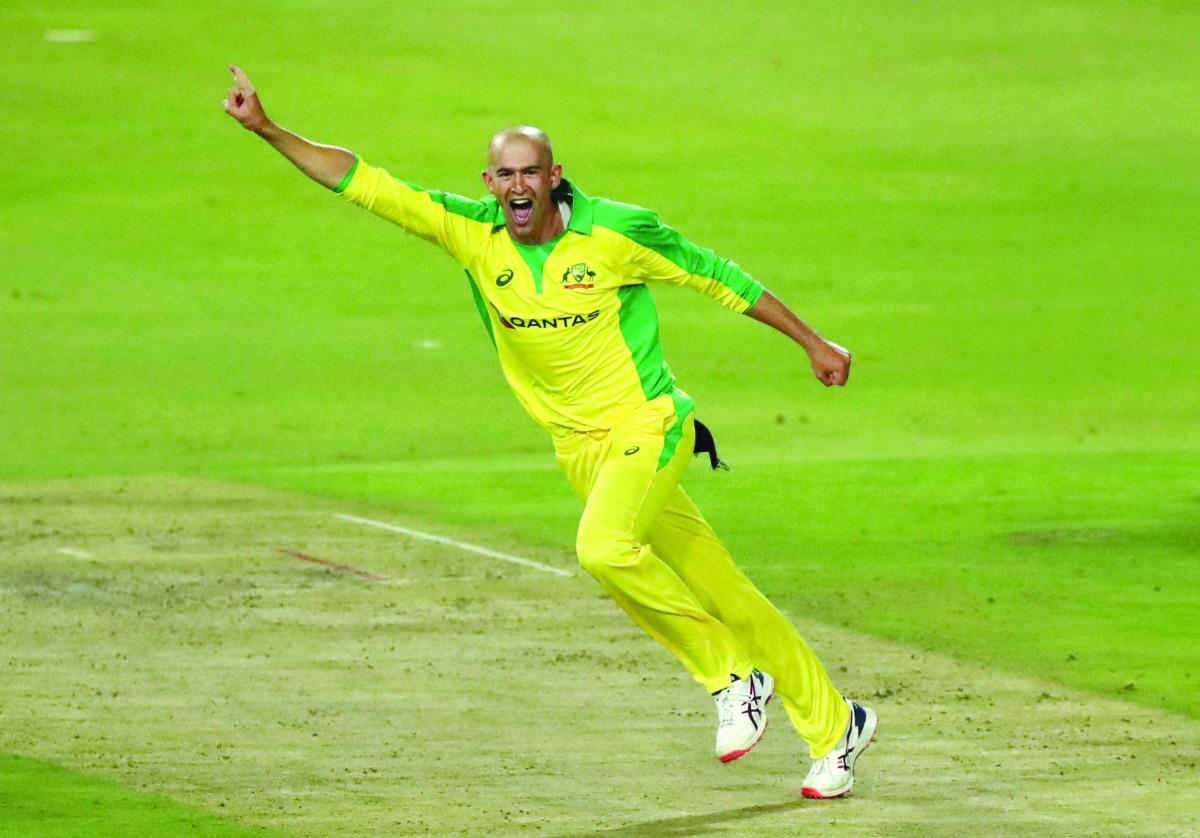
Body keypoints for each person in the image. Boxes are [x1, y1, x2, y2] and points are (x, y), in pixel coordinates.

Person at [223, 65, 876, 799]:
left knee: (602, 549)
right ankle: (835, 726)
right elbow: (365, 182)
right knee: (724, 590)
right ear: (490, 181)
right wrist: (269, 130)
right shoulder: (472, 234)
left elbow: (719, 277)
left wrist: (815, 343)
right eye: (504, 175)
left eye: (530, 171)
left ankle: (731, 675)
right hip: (579, 450)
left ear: (554, 175)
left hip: (648, 425)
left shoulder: (617, 234)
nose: (517, 186)